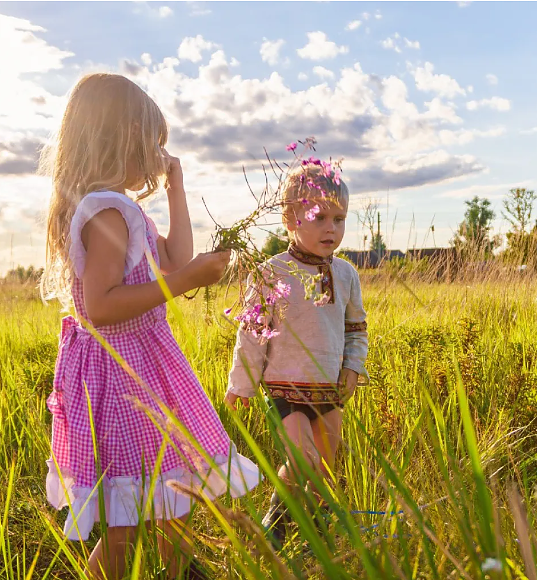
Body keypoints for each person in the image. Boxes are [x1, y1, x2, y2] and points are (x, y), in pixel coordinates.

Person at [40, 72, 259, 579]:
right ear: (119, 141)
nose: (158, 156)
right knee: (128, 523)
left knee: (168, 501)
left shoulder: (126, 210)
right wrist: (183, 282)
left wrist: (177, 188)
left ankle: (181, 568)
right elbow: (101, 305)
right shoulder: (106, 213)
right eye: (151, 144)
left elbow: (178, 256)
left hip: (140, 367)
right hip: (121, 377)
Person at [224, 163, 368, 546]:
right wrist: (242, 384)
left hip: (329, 390)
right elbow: (253, 332)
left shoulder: (347, 274)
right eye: (319, 217)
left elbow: (356, 328)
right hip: (284, 387)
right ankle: (276, 525)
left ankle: (314, 534)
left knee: (323, 467)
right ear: (289, 219)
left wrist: (353, 366)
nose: (331, 229)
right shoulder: (272, 272)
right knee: (302, 458)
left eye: (339, 219)